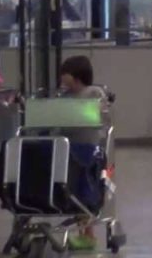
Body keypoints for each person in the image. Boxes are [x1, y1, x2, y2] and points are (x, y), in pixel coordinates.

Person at [58, 55, 108, 251]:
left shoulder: (93, 92)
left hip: (88, 149)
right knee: (73, 190)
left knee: (84, 189)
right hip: (69, 148)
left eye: (65, 74)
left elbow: (100, 113)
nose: (62, 78)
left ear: (76, 76)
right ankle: (83, 233)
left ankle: (88, 235)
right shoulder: (65, 97)